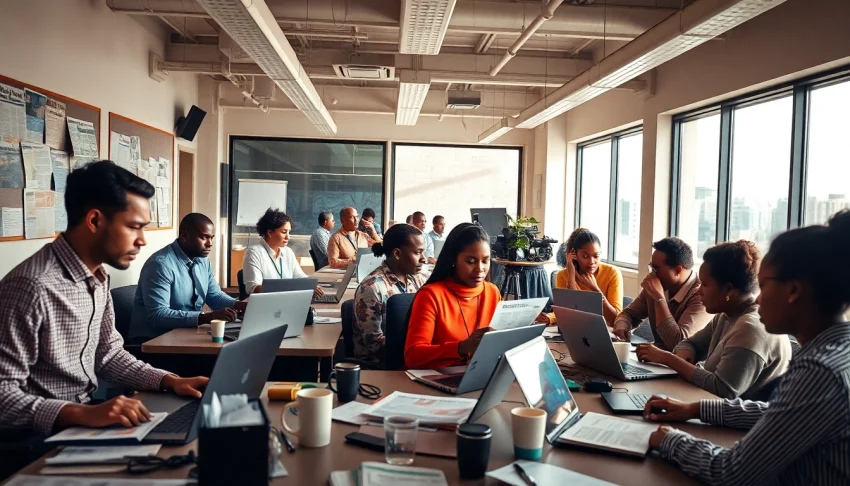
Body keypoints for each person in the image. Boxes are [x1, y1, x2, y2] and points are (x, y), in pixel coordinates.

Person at [0, 162, 206, 468]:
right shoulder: (31, 286)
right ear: (95, 220)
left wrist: (168, 380)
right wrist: (82, 413)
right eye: (134, 226)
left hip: (81, 424)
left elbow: (108, 355)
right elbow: (3, 395)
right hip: (32, 443)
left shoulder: (97, 277)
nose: (143, 239)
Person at [643, 211, 850, 485]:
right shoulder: (840, 352)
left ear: (793, 290)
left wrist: (670, 440)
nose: (758, 298)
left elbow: (731, 472)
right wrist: (696, 409)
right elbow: (775, 412)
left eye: (763, 285)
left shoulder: (819, 371)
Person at [636, 240, 791, 401]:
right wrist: (685, 352)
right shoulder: (726, 315)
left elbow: (722, 391)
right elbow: (689, 343)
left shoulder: (750, 328)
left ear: (729, 289)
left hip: (728, 414)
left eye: (705, 284)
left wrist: (668, 359)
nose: (698, 291)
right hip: (706, 404)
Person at [130, 213, 245, 341]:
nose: (210, 243)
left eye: (211, 238)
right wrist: (206, 317)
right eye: (204, 237)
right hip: (153, 340)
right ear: (184, 236)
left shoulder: (203, 261)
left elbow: (214, 296)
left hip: (185, 333)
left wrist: (239, 305)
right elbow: (158, 315)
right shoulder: (160, 265)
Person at [404, 223, 501, 369]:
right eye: (471, 261)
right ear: (454, 260)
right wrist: (461, 347)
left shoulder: (492, 292)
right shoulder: (431, 295)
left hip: (478, 373)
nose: (480, 269)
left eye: (485, 261)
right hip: (436, 375)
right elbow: (413, 356)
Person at [612, 237, 711, 350]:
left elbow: (679, 343)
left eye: (655, 269)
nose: (652, 274)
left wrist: (659, 299)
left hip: (682, 360)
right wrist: (621, 326)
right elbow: (629, 314)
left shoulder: (702, 295)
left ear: (678, 270)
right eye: (651, 267)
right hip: (655, 356)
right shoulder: (660, 283)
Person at [353, 225, 428, 361]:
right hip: (381, 364)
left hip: (411, 355)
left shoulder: (417, 279)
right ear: (397, 254)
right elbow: (375, 344)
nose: (424, 259)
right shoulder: (372, 288)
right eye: (418, 253)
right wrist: (417, 348)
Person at [545, 228, 623, 325]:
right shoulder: (562, 275)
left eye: (596, 256)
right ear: (574, 255)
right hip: (576, 328)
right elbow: (568, 313)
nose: (592, 262)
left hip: (606, 329)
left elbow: (615, 319)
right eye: (585, 256)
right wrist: (571, 277)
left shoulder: (612, 273)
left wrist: (596, 290)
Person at [242, 208, 323, 298]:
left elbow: (300, 277)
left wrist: (311, 286)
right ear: (270, 233)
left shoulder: (288, 252)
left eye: (289, 232)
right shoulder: (254, 253)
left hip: (288, 300)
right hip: (267, 302)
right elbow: (253, 288)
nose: (288, 237)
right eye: (284, 232)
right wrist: (289, 288)